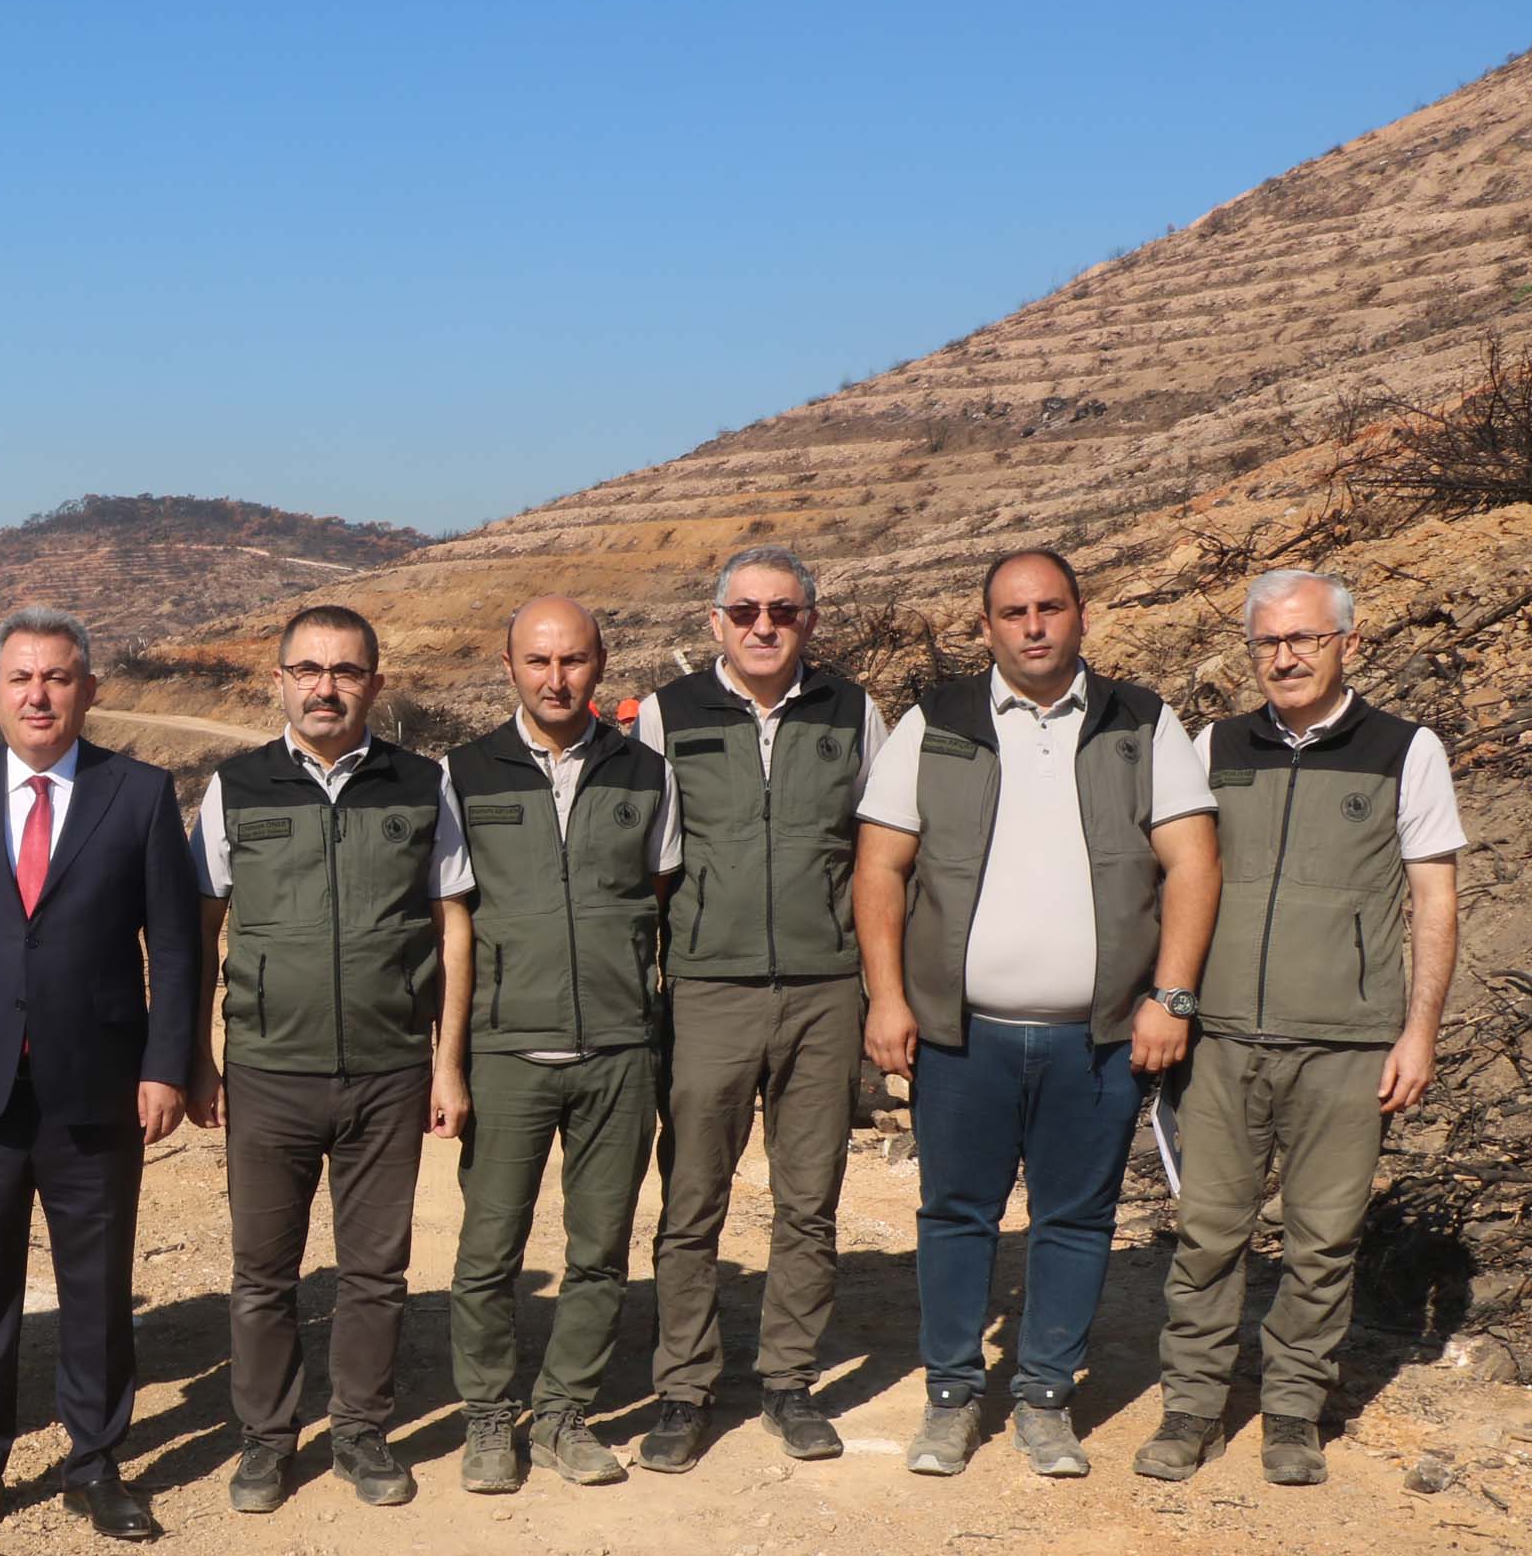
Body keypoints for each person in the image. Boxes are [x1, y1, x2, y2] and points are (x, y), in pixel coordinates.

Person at [854, 549, 1220, 1478]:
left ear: (1081, 615)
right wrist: (889, 996)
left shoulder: (1141, 721)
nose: (1032, 626)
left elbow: (1191, 862)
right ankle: (949, 1400)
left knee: (1075, 1218)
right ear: (986, 627)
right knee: (954, 1215)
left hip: (1096, 1039)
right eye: (1012, 612)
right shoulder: (937, 722)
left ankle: (1046, 1399)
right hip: (961, 1034)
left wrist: (1170, 996)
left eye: (1049, 607)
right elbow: (881, 867)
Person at [0, 607, 201, 1547]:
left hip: (97, 1084)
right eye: (21, 678)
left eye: (57, 677)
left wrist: (165, 1064)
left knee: (96, 1290)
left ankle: (95, 1468)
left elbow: (173, 949)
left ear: (88, 690)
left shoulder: (135, 793)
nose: (38, 695)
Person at [1138, 570, 1463, 1486]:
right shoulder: (1217, 745)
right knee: (1206, 1235)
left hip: (1349, 1045)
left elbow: (1435, 900)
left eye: (1304, 640)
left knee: (1323, 1243)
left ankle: (1291, 1414)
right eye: (1267, 643)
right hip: (1224, 1036)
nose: (1284, 657)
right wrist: (1169, 998)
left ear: (1347, 645)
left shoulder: (1406, 750)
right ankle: (1192, 1410)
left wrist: (1418, 1032)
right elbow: (1179, 878)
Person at [184, 604, 463, 1512]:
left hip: (388, 1069)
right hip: (269, 1069)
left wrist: (446, 1062)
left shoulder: (424, 785)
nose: (325, 687)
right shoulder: (236, 787)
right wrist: (197, 1057)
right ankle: (266, 1442)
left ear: (375, 684)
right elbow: (200, 930)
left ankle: (360, 1432)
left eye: (346, 671)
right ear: (279, 681)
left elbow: (452, 926)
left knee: (375, 1270)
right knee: (263, 1272)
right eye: (308, 669)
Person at [635, 548, 887, 1471]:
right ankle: (684, 1389)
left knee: (809, 1201)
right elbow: (652, 861)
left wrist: (878, 989)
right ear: (714, 621)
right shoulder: (668, 715)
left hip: (824, 988)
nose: (763, 627)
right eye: (743, 611)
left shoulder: (855, 712)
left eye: (783, 610)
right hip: (707, 988)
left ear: (811, 620)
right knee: (691, 1198)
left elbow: (879, 855)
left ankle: (788, 1381)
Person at [438, 597, 680, 1493]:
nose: (556, 678)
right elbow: (452, 920)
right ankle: (490, 1418)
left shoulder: (647, 774)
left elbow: (655, 896)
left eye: (573, 660)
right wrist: (451, 1059)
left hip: (619, 1049)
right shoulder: (463, 773)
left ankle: (566, 1413)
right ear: (509, 667)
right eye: (538, 661)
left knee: (600, 1249)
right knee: (487, 1253)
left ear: (600, 663)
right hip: (507, 1052)